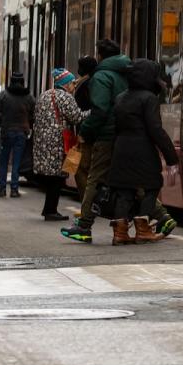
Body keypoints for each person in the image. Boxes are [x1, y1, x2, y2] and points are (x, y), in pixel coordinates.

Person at [102, 59, 180, 245]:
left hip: (121, 149)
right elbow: (155, 130)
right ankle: (143, 230)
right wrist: (171, 156)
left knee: (124, 191)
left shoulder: (121, 97)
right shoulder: (149, 98)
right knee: (151, 186)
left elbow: (115, 127)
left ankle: (120, 233)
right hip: (142, 150)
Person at [61, 40, 131, 242]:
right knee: (130, 179)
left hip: (105, 135)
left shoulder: (101, 77)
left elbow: (99, 110)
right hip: (124, 133)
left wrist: (87, 131)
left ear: (100, 55)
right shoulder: (127, 72)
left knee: (94, 179)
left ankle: (84, 226)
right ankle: (158, 217)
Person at [33, 68, 86, 221]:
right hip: (58, 141)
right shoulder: (65, 97)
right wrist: (92, 112)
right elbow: (77, 117)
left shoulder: (44, 95)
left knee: (52, 176)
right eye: (72, 83)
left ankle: (48, 209)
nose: (74, 86)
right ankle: (50, 211)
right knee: (58, 177)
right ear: (66, 84)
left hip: (42, 141)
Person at [0, 71, 36, 197]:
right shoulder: (28, 97)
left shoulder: (3, 95)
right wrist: (29, 124)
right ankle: (14, 190)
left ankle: (1, 189)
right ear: (22, 82)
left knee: (4, 161)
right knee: (16, 161)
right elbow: (34, 113)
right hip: (22, 132)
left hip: (6, 132)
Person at [72, 55, 98, 201]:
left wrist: (83, 131)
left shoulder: (87, 84)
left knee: (81, 168)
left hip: (86, 134)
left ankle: (87, 203)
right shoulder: (87, 82)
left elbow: (86, 109)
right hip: (88, 132)